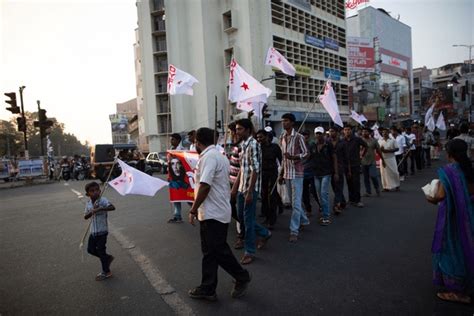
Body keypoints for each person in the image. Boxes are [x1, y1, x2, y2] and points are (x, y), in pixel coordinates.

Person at [188, 128, 251, 301]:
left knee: (218, 250)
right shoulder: (219, 155)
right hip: (215, 211)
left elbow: (205, 185)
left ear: (198, 142)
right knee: (210, 252)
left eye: (194, 141)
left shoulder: (209, 157)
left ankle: (241, 276)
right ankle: (208, 287)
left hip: (213, 213)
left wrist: (193, 209)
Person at [426, 139, 474, 304]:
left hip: (454, 219)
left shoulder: (450, 171)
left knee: (453, 249)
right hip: (470, 216)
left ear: (449, 154)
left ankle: (458, 292)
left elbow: (439, 196)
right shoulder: (469, 169)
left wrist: (428, 196)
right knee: (468, 245)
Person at [231, 119, 272, 264]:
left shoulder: (254, 144)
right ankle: (265, 233)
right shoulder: (243, 145)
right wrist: (235, 189)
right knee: (242, 219)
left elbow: (255, 169)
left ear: (248, 130)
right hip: (242, 187)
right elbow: (243, 169)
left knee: (248, 221)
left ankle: (249, 251)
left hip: (250, 189)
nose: (237, 131)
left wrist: (249, 192)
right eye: (236, 129)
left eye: (240, 129)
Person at [279, 113, 310, 242]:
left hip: (297, 173)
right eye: (283, 121)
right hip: (286, 173)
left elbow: (307, 153)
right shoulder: (282, 137)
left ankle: (294, 230)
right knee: (293, 202)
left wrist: (296, 157)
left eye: (286, 121)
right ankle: (304, 219)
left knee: (296, 203)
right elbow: (282, 158)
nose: (283, 123)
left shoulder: (299, 137)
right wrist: (280, 174)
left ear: (292, 123)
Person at [84, 181, 116, 281]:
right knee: (90, 249)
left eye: (97, 190)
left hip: (102, 231)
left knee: (101, 251)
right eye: (92, 191)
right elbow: (85, 216)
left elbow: (112, 207)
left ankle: (106, 271)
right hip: (93, 231)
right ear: (88, 194)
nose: (95, 192)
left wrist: (100, 209)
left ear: (100, 190)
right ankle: (107, 258)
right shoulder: (88, 203)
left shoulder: (103, 200)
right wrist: (91, 211)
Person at [309, 126, 337, 225]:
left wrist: (336, 172)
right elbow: (308, 157)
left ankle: (326, 216)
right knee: (319, 194)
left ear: (323, 134)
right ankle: (323, 210)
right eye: (317, 133)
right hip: (316, 173)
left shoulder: (328, 144)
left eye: (320, 133)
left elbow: (334, 158)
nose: (318, 135)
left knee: (324, 193)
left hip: (326, 172)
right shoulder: (312, 145)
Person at [256, 129, 282, 230]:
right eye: (257, 138)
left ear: (266, 137)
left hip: (273, 174)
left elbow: (281, 160)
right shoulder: (258, 148)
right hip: (262, 174)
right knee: (264, 196)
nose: (259, 139)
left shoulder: (275, 147)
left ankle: (272, 220)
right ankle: (267, 217)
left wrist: (282, 174)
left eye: (261, 137)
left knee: (271, 196)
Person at [226, 122, 245, 249]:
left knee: (240, 211)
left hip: (239, 185)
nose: (231, 134)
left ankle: (242, 235)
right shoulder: (234, 147)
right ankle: (244, 229)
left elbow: (243, 169)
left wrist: (234, 188)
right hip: (232, 182)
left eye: (232, 132)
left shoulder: (242, 147)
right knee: (232, 209)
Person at [342, 126, 367, 207]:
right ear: (343, 131)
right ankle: (351, 199)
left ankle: (358, 200)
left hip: (355, 164)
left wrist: (362, 155)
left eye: (348, 130)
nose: (347, 131)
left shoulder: (357, 139)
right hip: (346, 165)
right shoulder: (342, 141)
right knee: (349, 182)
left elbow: (365, 146)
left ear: (351, 131)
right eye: (345, 130)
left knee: (356, 182)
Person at [301, 130, 320, 218]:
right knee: (304, 193)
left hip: (312, 171)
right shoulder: (297, 146)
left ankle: (321, 206)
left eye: (306, 135)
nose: (305, 137)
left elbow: (314, 157)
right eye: (303, 135)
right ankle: (308, 210)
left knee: (314, 191)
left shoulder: (312, 145)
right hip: (302, 172)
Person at [168, 133, 186, 223]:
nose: (171, 141)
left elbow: (185, 164)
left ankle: (196, 211)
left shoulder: (182, 150)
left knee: (187, 196)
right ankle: (177, 215)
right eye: (171, 139)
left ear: (178, 140)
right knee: (176, 197)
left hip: (181, 177)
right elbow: (169, 164)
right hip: (173, 177)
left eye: (173, 139)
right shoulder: (170, 150)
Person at [361, 127, 383, 197]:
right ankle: (368, 191)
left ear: (369, 133)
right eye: (363, 132)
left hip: (372, 161)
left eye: (366, 132)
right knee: (366, 178)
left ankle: (377, 188)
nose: (364, 133)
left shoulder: (374, 141)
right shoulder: (360, 140)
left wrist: (383, 159)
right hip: (363, 162)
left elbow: (378, 151)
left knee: (373, 176)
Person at [328, 127, 346, 214]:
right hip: (329, 168)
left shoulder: (342, 143)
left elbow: (346, 157)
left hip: (340, 167)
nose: (331, 133)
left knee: (339, 186)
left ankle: (336, 205)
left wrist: (348, 169)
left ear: (337, 132)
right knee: (334, 187)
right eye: (330, 131)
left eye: (333, 131)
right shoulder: (327, 142)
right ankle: (342, 201)